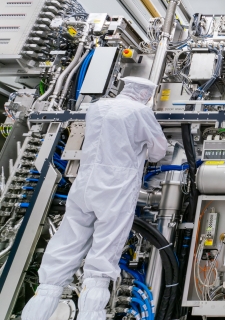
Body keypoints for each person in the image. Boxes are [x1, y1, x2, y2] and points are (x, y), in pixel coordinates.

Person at [22, 77, 167, 320]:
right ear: (146, 95)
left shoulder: (98, 107)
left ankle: (36, 311)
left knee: (65, 246)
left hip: (84, 183)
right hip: (115, 188)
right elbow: (158, 150)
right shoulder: (140, 111)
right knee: (103, 256)